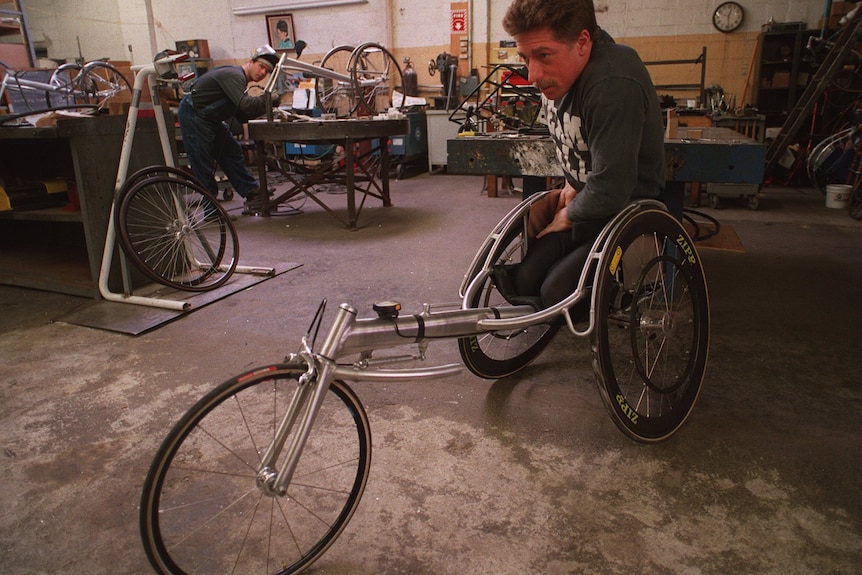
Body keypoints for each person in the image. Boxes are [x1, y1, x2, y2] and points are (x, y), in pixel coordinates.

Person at [497, 0, 665, 314]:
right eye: (525, 58)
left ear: (583, 43)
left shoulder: (612, 82)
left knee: (556, 293)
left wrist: (568, 215)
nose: (532, 74)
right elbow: (575, 140)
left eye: (544, 55)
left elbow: (613, 187)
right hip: (589, 202)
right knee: (525, 281)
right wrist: (572, 183)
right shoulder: (558, 77)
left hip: (625, 210)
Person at [177, 45, 280, 214]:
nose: (263, 73)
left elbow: (241, 113)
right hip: (194, 115)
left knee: (231, 152)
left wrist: (266, 104)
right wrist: (268, 99)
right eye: (261, 66)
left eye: (267, 71)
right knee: (204, 164)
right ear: (251, 62)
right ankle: (211, 212)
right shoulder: (235, 76)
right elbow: (246, 106)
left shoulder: (240, 81)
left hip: (210, 119)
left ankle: (252, 192)